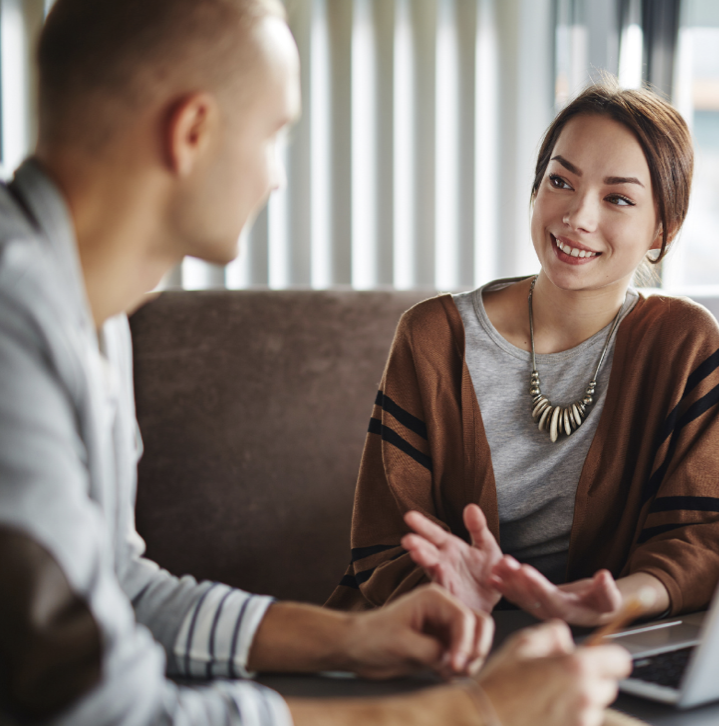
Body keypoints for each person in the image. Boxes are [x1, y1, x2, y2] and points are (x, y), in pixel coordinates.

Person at [0, 1, 630, 724]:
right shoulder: (14, 327)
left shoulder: (78, 307)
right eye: (274, 135)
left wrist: (351, 637)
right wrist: (468, 712)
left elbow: (118, 590)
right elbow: (111, 712)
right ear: (192, 132)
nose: (276, 178)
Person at [325, 83, 719, 627]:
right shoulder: (433, 336)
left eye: (617, 198)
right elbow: (385, 540)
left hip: (602, 646)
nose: (577, 216)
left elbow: (708, 536)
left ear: (662, 229)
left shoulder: (683, 341)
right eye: (560, 181)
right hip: (431, 639)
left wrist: (616, 601)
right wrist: (467, 608)